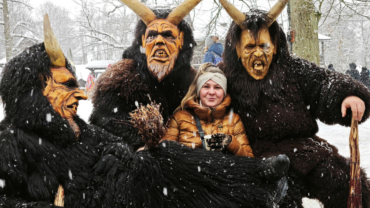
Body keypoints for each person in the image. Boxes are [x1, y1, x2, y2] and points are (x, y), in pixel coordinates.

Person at [0, 14, 290, 208]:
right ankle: (255, 190)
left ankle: (257, 182)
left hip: (124, 181)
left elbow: (109, 141)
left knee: (167, 159)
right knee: (165, 170)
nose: (80, 93)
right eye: (66, 85)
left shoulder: (74, 125)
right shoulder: (11, 139)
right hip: (102, 199)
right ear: (37, 85)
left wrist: (120, 152)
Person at [218, 0, 370, 207]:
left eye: (264, 46)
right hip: (255, 157)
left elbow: (324, 83)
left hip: (305, 151)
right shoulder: (222, 77)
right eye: (249, 47)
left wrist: (348, 95)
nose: (258, 54)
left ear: (275, 46)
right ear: (236, 49)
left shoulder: (293, 68)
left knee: (348, 183)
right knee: (279, 197)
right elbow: (196, 94)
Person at [90, 0, 201, 151]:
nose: (159, 41)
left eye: (168, 35)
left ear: (182, 42)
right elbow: (103, 127)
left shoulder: (197, 85)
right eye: (152, 36)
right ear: (142, 42)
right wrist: (134, 146)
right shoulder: (119, 82)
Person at [162, 63, 254, 157]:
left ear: (224, 93)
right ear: (199, 91)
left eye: (217, 87)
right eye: (206, 86)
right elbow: (165, 155)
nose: (211, 92)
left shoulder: (234, 120)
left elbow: (250, 161)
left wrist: (230, 143)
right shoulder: (179, 117)